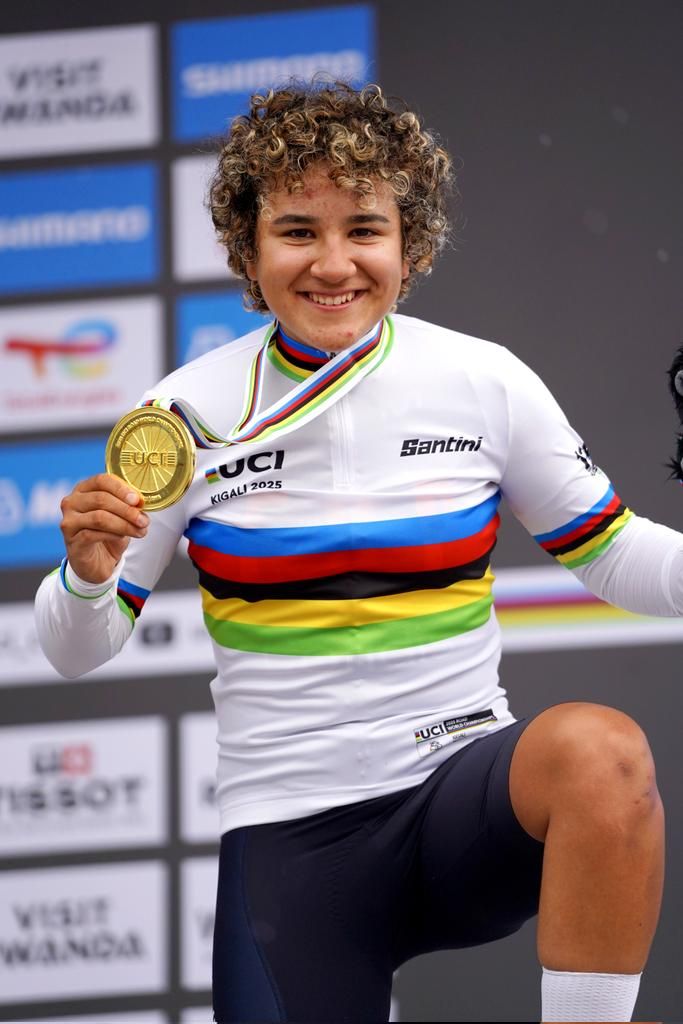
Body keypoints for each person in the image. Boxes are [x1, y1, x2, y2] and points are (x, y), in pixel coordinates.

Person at [35, 82, 678, 1024]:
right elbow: (74, 649)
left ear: (409, 248)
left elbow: (616, 554)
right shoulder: (185, 415)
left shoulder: (482, 381)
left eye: (364, 229)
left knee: (601, 754)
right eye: (297, 231)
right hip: (290, 845)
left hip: (458, 801)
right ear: (248, 251)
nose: (332, 264)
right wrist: (88, 577)